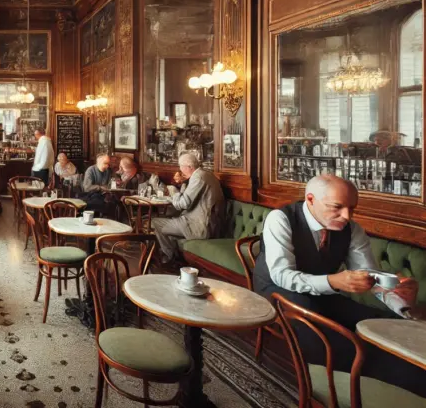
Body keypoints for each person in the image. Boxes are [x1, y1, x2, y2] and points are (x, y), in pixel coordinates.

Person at [253, 174, 425, 397]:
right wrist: (335, 281)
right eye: (337, 207)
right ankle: (399, 376)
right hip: (277, 294)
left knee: (385, 322)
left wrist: (402, 301)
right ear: (311, 199)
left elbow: (372, 279)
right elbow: (282, 276)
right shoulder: (280, 218)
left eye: (351, 209)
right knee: (335, 343)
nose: (346, 216)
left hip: (324, 293)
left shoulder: (352, 229)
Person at [151, 152, 225, 263]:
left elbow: (183, 203)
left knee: (155, 222)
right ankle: (172, 256)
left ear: (189, 167)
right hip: (207, 223)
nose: (180, 170)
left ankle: (171, 259)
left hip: (200, 227)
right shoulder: (205, 174)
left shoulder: (198, 177)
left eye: (181, 167)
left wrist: (174, 192)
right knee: (168, 218)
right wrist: (183, 183)